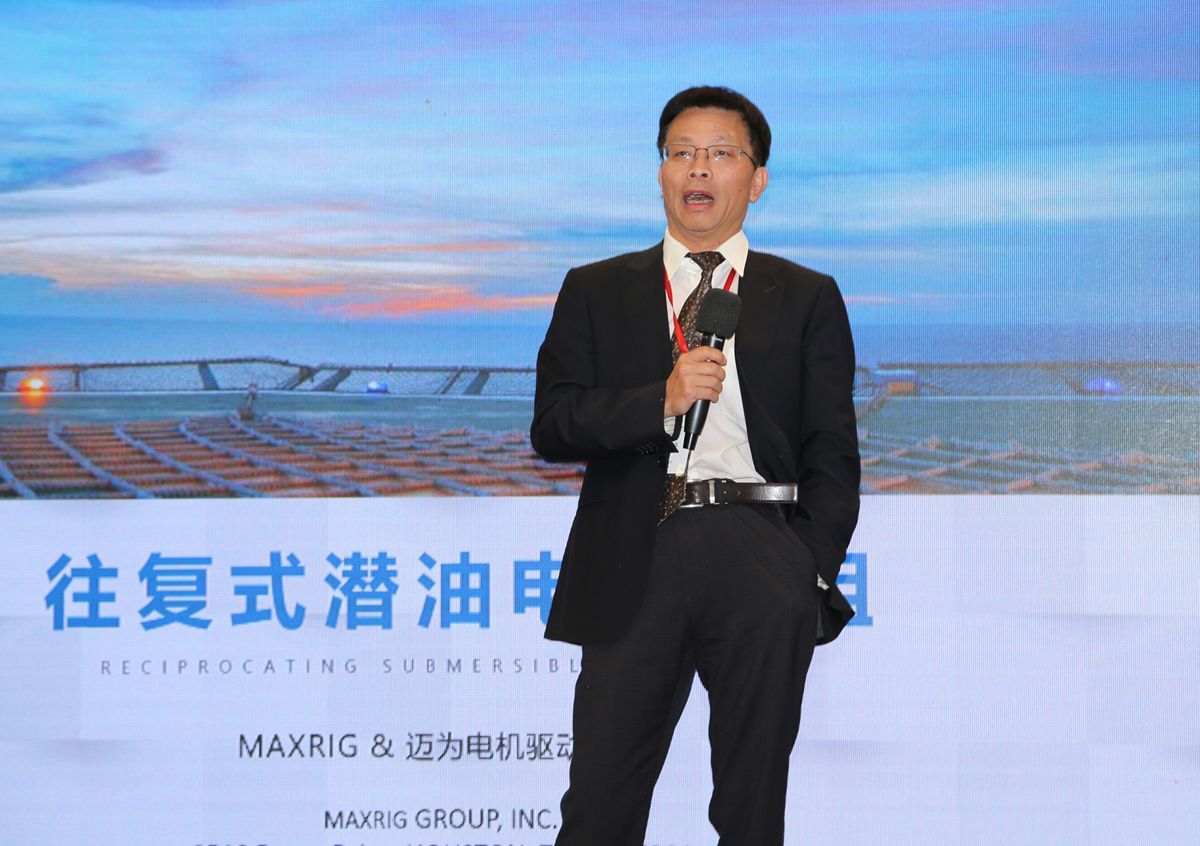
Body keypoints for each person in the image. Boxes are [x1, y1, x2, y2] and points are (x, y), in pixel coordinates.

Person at [530, 85, 861, 846]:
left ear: (757, 177)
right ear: (661, 173)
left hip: (760, 544)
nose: (698, 168)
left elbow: (833, 452)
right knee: (601, 802)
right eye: (681, 153)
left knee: (751, 807)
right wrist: (661, 399)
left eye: (720, 153)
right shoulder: (596, 288)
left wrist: (806, 568)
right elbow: (554, 425)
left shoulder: (805, 295)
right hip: (636, 548)